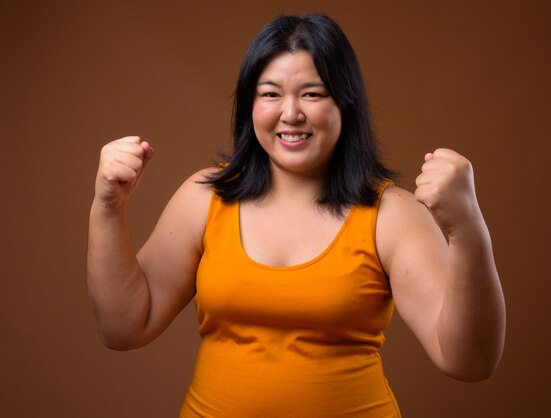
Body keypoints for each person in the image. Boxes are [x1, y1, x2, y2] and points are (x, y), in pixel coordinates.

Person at [87, 14, 505, 418]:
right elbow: (125, 327)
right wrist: (108, 208)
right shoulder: (206, 196)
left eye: (312, 93)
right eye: (270, 94)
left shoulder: (391, 214)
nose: (290, 113)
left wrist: (467, 229)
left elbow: (470, 361)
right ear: (250, 107)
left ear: (346, 103)